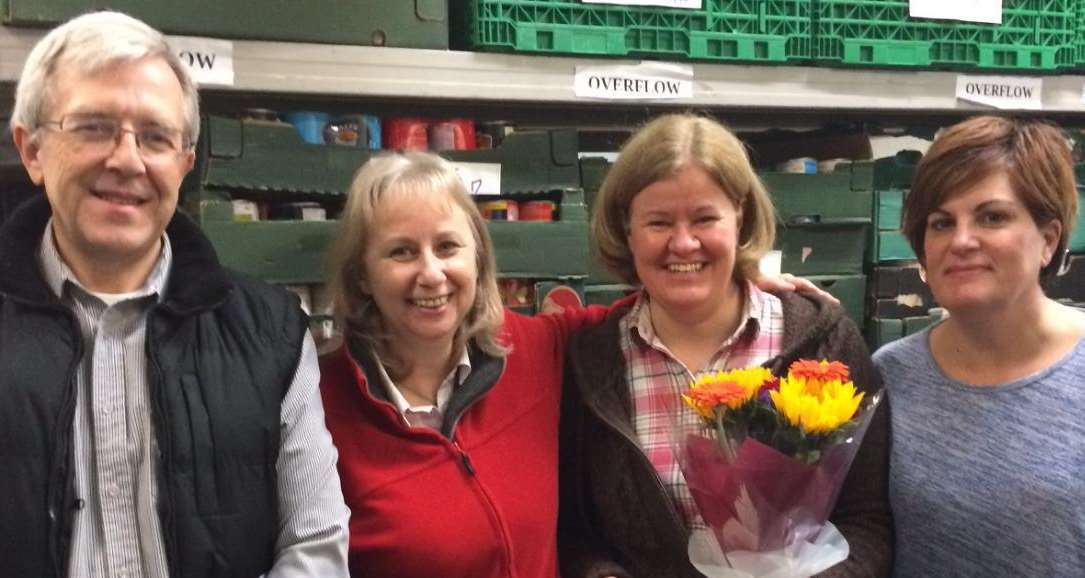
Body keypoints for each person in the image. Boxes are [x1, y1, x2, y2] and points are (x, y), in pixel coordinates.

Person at [3, 11, 349, 578]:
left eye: (156, 137)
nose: (126, 159)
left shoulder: (272, 334)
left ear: (185, 165)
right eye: (93, 126)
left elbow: (315, 544)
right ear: (33, 149)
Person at [558, 113, 892, 578]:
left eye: (704, 218)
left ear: (741, 218)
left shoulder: (824, 342)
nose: (683, 242)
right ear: (626, 230)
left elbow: (867, 522)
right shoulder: (592, 363)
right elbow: (576, 532)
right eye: (657, 222)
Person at [873, 116, 1085, 577]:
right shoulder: (888, 376)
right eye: (941, 223)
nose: (962, 241)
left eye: (993, 216)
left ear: (1048, 240)